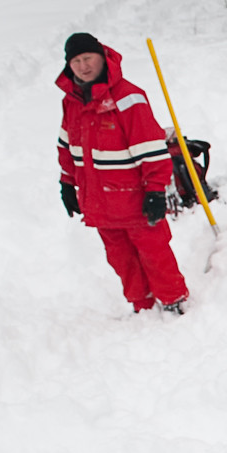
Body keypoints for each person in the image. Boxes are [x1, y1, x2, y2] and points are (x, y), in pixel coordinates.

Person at [57, 33, 190, 316]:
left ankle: (172, 301)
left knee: (155, 253)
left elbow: (151, 150)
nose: (83, 66)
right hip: (99, 201)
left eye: (88, 58)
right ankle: (141, 305)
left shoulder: (128, 97)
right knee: (120, 258)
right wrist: (67, 184)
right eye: (76, 61)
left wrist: (155, 190)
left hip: (135, 199)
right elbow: (67, 147)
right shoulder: (71, 102)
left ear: (102, 58)